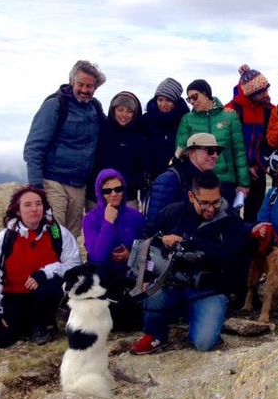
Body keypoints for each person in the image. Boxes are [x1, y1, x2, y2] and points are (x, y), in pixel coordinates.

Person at [130, 171, 251, 354]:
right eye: (204, 203)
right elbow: (149, 242)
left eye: (215, 201)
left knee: (204, 343)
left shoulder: (231, 220)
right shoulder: (172, 213)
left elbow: (233, 256)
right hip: (171, 282)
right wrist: (145, 274)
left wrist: (190, 241)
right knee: (152, 291)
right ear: (191, 196)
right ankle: (155, 333)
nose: (210, 208)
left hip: (210, 288)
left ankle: (199, 320)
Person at [0, 186, 82, 348]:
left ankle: (42, 321)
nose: (34, 209)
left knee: (50, 287)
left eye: (38, 204)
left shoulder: (57, 232)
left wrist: (45, 273)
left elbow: (75, 266)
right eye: (27, 205)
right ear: (18, 211)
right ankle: (32, 323)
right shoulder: (5, 238)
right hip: (15, 295)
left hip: (45, 293)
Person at [24, 60, 106, 237]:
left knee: (71, 235)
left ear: (95, 87)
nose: (84, 90)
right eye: (81, 84)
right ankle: (49, 264)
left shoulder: (95, 108)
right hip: (53, 182)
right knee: (54, 232)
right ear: (71, 82)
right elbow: (33, 148)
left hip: (79, 185)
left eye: (89, 86)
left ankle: (67, 266)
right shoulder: (55, 105)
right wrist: (36, 187)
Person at [82, 168, 145, 330]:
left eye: (118, 189)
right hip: (103, 277)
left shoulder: (135, 216)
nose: (114, 194)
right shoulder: (90, 219)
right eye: (107, 191)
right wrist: (108, 222)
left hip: (129, 274)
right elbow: (97, 256)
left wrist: (129, 256)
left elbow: (145, 248)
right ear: (99, 193)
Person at [176, 79, 250, 206]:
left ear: (206, 93)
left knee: (225, 221)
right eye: (189, 99)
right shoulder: (187, 119)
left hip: (225, 181)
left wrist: (243, 183)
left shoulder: (229, 117)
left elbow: (239, 152)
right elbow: (181, 151)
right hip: (198, 182)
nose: (192, 102)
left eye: (194, 97)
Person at [145, 133, 223, 235]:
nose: (215, 156)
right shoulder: (169, 180)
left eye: (217, 151)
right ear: (191, 153)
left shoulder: (210, 180)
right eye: (210, 151)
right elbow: (154, 224)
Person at [228, 64, 276, 223]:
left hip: (258, 169)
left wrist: (258, 166)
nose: (265, 94)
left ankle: (252, 244)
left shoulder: (268, 109)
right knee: (230, 211)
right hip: (235, 170)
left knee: (255, 211)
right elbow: (228, 143)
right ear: (249, 94)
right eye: (260, 92)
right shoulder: (231, 110)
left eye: (266, 89)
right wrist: (243, 167)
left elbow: (269, 142)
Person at [88, 91, 146, 210]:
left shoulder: (140, 136)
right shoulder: (102, 129)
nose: (124, 114)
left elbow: (142, 168)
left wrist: (127, 185)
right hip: (97, 196)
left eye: (129, 111)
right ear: (113, 110)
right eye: (120, 109)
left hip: (127, 197)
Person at [142, 78, 190, 190]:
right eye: (160, 99)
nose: (163, 104)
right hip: (151, 179)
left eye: (168, 100)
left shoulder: (184, 121)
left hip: (177, 178)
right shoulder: (145, 120)